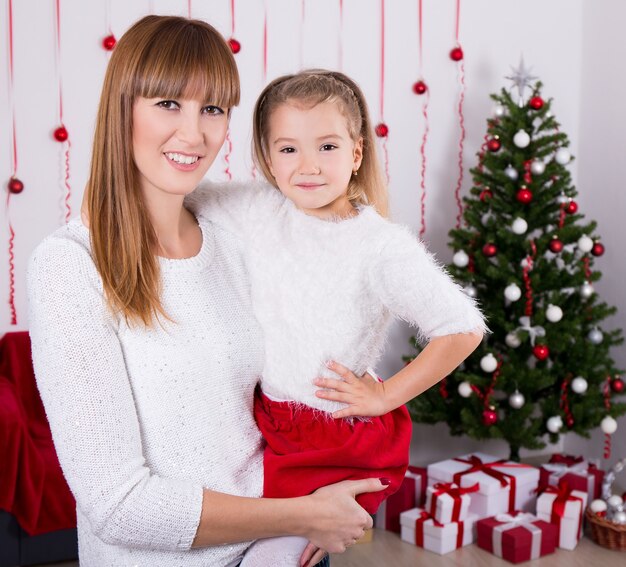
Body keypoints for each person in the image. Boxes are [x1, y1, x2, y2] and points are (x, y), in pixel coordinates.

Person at [26, 17, 385, 567]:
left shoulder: (232, 235)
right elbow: (118, 505)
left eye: (212, 109)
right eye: (168, 103)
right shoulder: (71, 265)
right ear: (123, 107)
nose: (194, 134)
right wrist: (302, 512)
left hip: (281, 549)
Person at [186, 69, 488, 566]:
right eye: (288, 149)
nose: (307, 166)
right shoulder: (260, 208)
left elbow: (462, 327)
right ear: (267, 158)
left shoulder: (379, 247)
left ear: (356, 153)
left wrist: (386, 394)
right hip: (269, 424)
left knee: (280, 556)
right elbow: (178, 194)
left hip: (331, 438)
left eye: (326, 146)